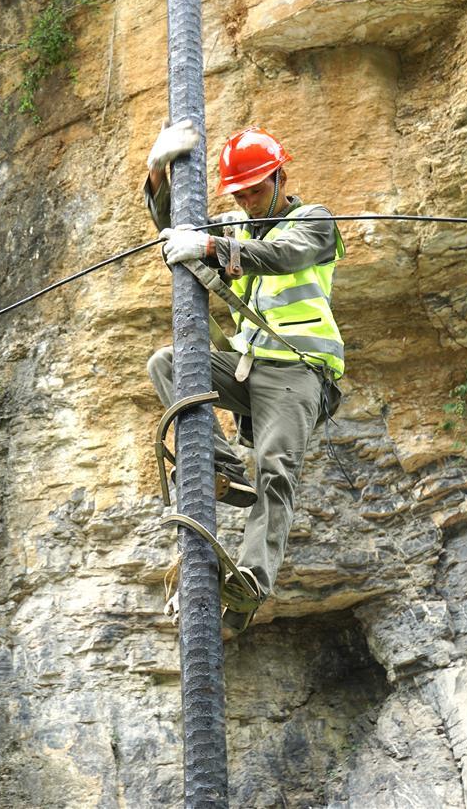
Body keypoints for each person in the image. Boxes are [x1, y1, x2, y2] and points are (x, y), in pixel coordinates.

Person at [144, 121, 345, 634]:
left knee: (276, 470)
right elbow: (179, 227)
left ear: (279, 177)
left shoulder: (314, 221)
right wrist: (157, 173)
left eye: (256, 188)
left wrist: (211, 249)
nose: (250, 199)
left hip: (298, 371)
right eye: (241, 192)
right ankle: (221, 465)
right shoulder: (237, 223)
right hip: (246, 365)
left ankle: (251, 579)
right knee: (167, 363)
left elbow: (284, 256)